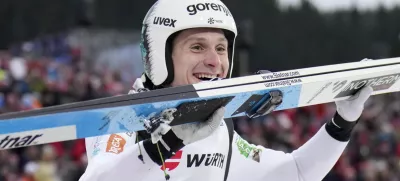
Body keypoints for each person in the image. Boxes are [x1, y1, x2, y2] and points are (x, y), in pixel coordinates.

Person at [79, 0, 373, 180]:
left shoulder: (217, 129)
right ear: (158, 56)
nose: (214, 61)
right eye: (197, 47)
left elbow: (296, 173)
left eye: (221, 48)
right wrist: (167, 143)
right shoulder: (119, 119)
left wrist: (342, 124)